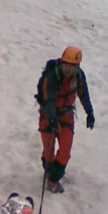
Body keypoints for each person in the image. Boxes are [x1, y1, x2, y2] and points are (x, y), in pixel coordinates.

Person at [36, 46, 95, 192]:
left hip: (67, 115)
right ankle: (49, 169)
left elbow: (84, 94)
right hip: (48, 115)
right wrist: (52, 120)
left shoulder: (79, 77)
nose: (68, 68)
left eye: (72, 65)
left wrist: (90, 113)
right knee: (48, 152)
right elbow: (49, 100)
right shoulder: (52, 77)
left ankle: (53, 179)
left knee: (65, 152)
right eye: (66, 64)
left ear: (78, 66)